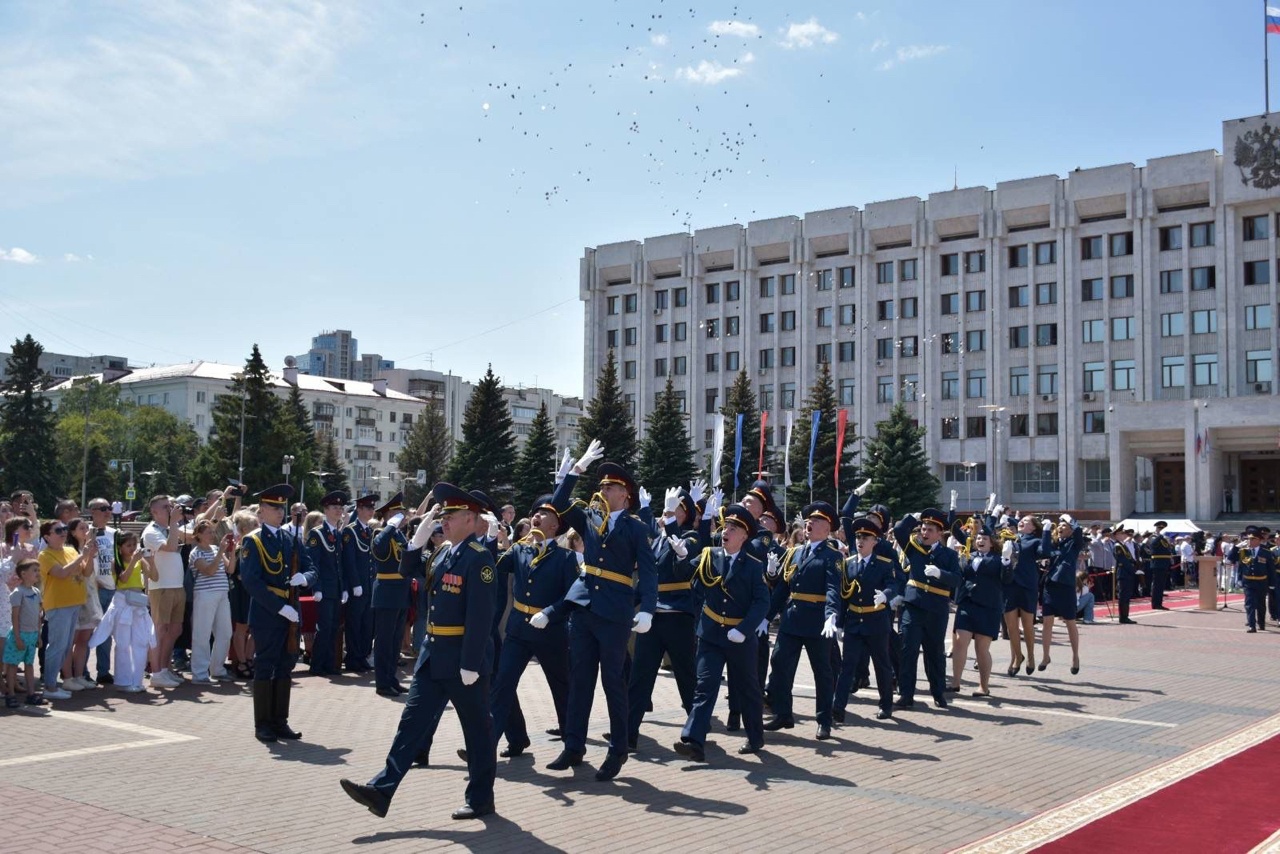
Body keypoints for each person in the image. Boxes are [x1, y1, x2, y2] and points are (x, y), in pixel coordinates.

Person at [340, 483, 498, 821]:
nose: (444, 523)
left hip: (461, 661)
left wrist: (471, 662)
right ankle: (382, 790)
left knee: (477, 732)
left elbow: (481, 617)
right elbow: (407, 571)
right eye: (443, 518)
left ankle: (481, 797)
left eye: (450, 517)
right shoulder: (443, 553)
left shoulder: (480, 559)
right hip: (432, 656)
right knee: (410, 725)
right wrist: (414, 542)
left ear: (470, 519)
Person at [545, 440, 658, 782]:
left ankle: (618, 749)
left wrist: (649, 609)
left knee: (612, 684)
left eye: (610, 486)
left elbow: (649, 571)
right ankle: (574, 745)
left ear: (626, 494)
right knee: (580, 681)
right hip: (585, 609)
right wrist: (575, 470)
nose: (604, 490)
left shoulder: (637, 527)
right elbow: (558, 503)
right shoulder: (590, 518)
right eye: (602, 485)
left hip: (614, 612)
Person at [672, 504, 771, 762]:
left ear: (744, 535)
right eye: (726, 526)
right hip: (711, 634)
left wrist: (744, 629)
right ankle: (693, 740)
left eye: (734, 528)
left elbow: (762, 602)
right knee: (705, 686)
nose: (727, 530)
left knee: (747, 689)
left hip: (739, 638)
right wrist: (682, 556)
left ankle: (755, 735)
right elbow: (682, 573)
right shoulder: (708, 555)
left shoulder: (752, 565)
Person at [489, 493, 578, 757]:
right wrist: (491, 540)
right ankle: (487, 744)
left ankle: (572, 746)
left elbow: (572, 596)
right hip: (518, 629)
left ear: (556, 525)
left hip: (550, 631)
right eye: (535, 512)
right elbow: (492, 568)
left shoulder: (565, 558)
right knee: (503, 683)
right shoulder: (519, 550)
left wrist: (551, 612)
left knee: (561, 688)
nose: (536, 516)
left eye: (544, 513)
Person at [625, 486, 702, 749]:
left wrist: (669, 520)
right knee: (640, 677)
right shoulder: (657, 539)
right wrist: (628, 605)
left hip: (679, 617)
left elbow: (684, 565)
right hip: (654, 616)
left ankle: (696, 734)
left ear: (686, 514)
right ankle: (628, 733)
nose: (669, 512)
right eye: (669, 507)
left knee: (687, 678)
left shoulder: (691, 537)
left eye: (676, 508)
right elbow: (647, 580)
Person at [237, 485, 314, 742]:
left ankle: (281, 721)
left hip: (291, 610)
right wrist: (280, 607)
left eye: (282, 507)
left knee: (285, 666)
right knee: (266, 665)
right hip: (268, 612)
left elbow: (310, 566)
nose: (280, 512)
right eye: (274, 507)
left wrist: (305, 578)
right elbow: (251, 580)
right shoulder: (254, 540)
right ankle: (263, 724)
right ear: (262, 510)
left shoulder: (289, 539)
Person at [763, 501, 842, 740]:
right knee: (780, 665)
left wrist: (831, 615)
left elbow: (832, 588)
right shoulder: (795, 553)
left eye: (817, 521)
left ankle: (824, 720)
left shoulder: (832, 556)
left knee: (822, 672)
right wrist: (766, 618)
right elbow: (783, 589)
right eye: (808, 521)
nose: (809, 524)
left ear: (827, 530)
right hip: (792, 619)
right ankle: (783, 713)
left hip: (817, 621)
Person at [832, 516, 900, 722]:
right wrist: (840, 623)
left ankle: (886, 705)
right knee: (848, 667)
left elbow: (894, 585)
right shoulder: (848, 564)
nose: (860, 541)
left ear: (875, 541)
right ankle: (838, 707)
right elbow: (844, 595)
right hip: (854, 621)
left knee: (882, 665)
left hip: (876, 621)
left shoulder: (884, 564)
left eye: (866, 537)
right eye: (858, 537)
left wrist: (886, 596)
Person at [892, 508, 961, 710]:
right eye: (923, 528)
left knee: (935, 653)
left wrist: (940, 574)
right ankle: (906, 694)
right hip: (913, 607)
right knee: (908, 651)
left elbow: (957, 580)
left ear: (940, 534)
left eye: (930, 529)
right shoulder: (913, 548)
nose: (925, 533)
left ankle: (938, 693)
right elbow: (898, 530)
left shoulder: (948, 555)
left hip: (936, 610)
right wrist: (911, 517)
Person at [88, 531, 156, 692]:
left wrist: (151, 561)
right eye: (128, 545)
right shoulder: (115, 562)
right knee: (123, 644)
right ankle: (123, 681)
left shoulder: (139, 560)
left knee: (140, 642)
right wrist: (134, 561)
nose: (132, 548)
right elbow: (123, 579)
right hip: (122, 602)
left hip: (138, 603)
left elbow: (154, 576)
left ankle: (136, 680)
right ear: (120, 548)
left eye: (134, 545)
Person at [38, 520, 98, 700]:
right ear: (47, 537)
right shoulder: (44, 555)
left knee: (64, 647)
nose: (63, 532)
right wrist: (83, 555)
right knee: (57, 646)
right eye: (58, 530)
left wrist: (90, 556)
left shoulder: (71, 550)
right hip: (58, 605)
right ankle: (50, 686)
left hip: (74, 604)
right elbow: (61, 573)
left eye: (64, 529)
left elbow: (85, 573)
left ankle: (55, 684)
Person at [950, 526, 1003, 697]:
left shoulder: (999, 560)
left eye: (984, 539)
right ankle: (955, 682)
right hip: (967, 604)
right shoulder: (967, 556)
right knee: (959, 642)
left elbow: (1007, 579)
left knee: (981, 648)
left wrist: (1008, 562)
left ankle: (983, 686)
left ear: (992, 543)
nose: (980, 541)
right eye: (978, 539)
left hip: (988, 607)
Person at [142, 496, 188, 689]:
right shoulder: (151, 532)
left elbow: (190, 537)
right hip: (161, 586)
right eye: (165, 507)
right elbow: (170, 547)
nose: (170, 509)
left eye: (170, 506)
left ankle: (165, 667)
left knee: (175, 629)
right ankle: (157, 672)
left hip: (176, 585)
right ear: (154, 512)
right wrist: (175, 521)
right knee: (160, 630)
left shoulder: (169, 529)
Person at [370, 493, 410, 697]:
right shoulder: (380, 532)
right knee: (384, 641)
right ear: (386, 515)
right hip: (386, 591)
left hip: (401, 591)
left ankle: (392, 678)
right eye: (396, 512)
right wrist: (390, 526)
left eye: (401, 512)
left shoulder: (399, 534)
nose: (400, 516)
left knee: (395, 642)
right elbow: (378, 546)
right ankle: (382, 682)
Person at [306, 492, 348, 677]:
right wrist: (317, 588)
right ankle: (317, 665)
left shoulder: (337, 534)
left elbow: (341, 564)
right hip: (324, 589)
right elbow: (313, 563)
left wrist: (344, 587)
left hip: (336, 588)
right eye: (334, 508)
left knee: (333, 628)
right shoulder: (317, 534)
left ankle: (330, 663)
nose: (338, 510)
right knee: (323, 629)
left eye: (340, 508)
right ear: (326, 510)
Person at [1001, 513, 1050, 674]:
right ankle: (1016, 657)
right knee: (1011, 626)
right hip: (1009, 585)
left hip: (1027, 586)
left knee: (1028, 625)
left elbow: (1045, 552)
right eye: (1021, 520)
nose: (1022, 522)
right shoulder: (1010, 539)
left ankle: (1030, 655)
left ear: (1033, 527)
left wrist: (1047, 532)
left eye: (1027, 521)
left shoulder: (1035, 541)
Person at [188, 520, 234, 684]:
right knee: (202, 634)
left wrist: (231, 552)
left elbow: (230, 569)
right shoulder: (196, 553)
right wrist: (220, 552)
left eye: (212, 532)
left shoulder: (216, 549)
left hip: (222, 593)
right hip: (205, 594)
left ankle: (217, 669)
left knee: (225, 633)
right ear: (198, 535)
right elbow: (209, 570)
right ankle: (199, 674)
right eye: (208, 532)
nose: (212, 535)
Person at [1040, 517, 1085, 674]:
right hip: (1050, 586)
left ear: (1070, 529)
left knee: (1070, 622)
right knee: (1047, 623)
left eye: (1064, 525)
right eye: (1058, 525)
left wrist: (1071, 520)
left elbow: (1079, 534)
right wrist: (1046, 531)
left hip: (1065, 587)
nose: (1060, 528)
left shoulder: (1074, 544)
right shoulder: (1054, 543)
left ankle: (1075, 656)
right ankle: (1045, 656)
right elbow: (1044, 550)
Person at [342, 494, 377, 673]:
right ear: (359, 510)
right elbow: (349, 560)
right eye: (368, 508)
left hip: (369, 585)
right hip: (358, 586)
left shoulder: (369, 531)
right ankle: (353, 658)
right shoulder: (350, 531)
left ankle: (363, 655)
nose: (371, 511)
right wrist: (355, 583)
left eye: (372, 508)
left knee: (367, 625)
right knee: (354, 624)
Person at [224, 510, 259, 678]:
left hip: (255, 591)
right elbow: (233, 571)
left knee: (255, 627)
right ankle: (241, 661)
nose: (258, 528)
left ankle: (249, 657)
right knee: (242, 627)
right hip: (241, 592)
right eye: (254, 525)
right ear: (245, 528)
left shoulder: (257, 546)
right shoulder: (239, 548)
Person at [87, 498, 118, 685]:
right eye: (103, 509)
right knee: (85, 633)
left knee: (106, 633)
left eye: (110, 508)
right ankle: (81, 671)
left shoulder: (115, 533)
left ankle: (103, 671)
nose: (108, 512)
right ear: (92, 511)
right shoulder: (86, 532)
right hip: (94, 590)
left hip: (113, 588)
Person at [4, 559, 43, 708]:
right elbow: (15, 616)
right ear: (23, 574)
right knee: (13, 665)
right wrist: (18, 637)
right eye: (34, 570)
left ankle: (31, 694)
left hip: (32, 635)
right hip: (19, 635)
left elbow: (38, 616)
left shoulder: (36, 592)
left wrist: (38, 635)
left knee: (29, 664)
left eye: (38, 570)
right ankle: (11, 694)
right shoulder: (17, 593)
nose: (37, 573)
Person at [1229, 526, 1275, 632]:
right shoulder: (1244, 551)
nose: (1250, 541)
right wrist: (1236, 547)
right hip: (1248, 582)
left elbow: (1271, 569)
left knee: (1260, 604)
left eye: (1253, 539)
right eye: (1248, 539)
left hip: (1261, 581)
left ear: (1259, 540)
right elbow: (1232, 559)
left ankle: (1261, 623)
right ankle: (1251, 625)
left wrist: (1272, 583)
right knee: (1249, 604)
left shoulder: (1266, 552)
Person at [1146, 522, 1174, 609]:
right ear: (1157, 528)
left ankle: (1159, 603)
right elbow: (1152, 545)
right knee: (1157, 585)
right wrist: (1160, 536)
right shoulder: (1154, 537)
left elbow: (1167, 549)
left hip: (1164, 563)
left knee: (1161, 585)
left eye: (1163, 529)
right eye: (1160, 528)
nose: (1161, 530)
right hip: (1157, 563)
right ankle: (1155, 604)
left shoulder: (1163, 539)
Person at [1115, 528, 1138, 624]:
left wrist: (1136, 565)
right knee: (1123, 596)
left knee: (1127, 595)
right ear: (1116, 535)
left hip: (1127, 572)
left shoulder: (1123, 545)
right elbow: (1123, 561)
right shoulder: (1118, 546)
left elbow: (1130, 558)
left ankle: (1125, 616)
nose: (1124, 535)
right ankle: (1123, 617)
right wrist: (1133, 570)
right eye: (1121, 533)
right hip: (1124, 572)